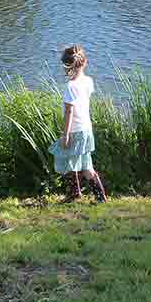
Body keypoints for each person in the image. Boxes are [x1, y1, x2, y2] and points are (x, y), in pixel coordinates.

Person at [49, 45, 107, 203]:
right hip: (86, 129)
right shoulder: (88, 81)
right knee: (78, 163)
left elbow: (69, 112)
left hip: (75, 131)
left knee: (76, 163)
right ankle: (84, 195)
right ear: (84, 62)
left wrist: (65, 135)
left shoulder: (70, 86)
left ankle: (87, 196)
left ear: (66, 67)